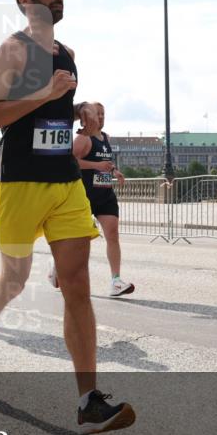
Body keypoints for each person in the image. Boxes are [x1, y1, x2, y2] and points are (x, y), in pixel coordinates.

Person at [0, 0, 135, 435]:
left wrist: (75, 107)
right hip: (19, 183)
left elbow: (53, 106)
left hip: (64, 182)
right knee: (13, 280)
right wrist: (45, 95)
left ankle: (88, 401)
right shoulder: (12, 51)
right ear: (27, 0)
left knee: (76, 283)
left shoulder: (67, 52)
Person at [72, 102, 134, 297]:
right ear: (87, 115)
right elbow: (69, 161)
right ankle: (58, 267)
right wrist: (95, 165)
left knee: (113, 234)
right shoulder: (83, 138)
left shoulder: (106, 138)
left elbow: (104, 162)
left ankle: (116, 281)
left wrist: (114, 171)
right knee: (79, 241)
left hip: (105, 193)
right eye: (97, 113)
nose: (101, 117)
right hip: (85, 194)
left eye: (103, 113)